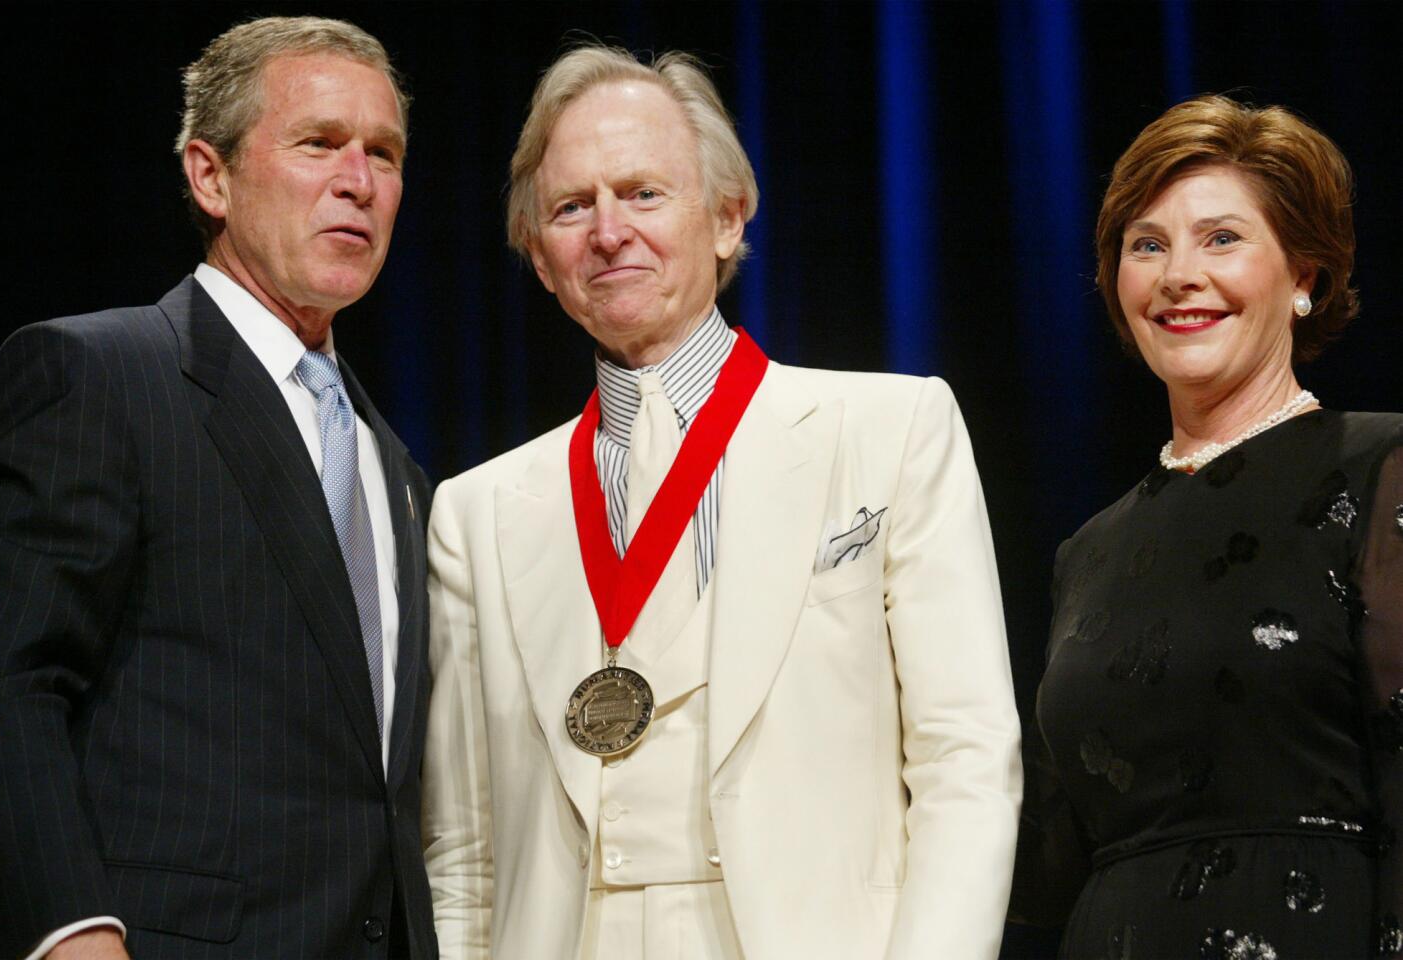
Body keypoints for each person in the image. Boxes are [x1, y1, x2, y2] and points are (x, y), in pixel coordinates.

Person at [420, 44, 1021, 960]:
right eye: (572, 207)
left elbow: (965, 759)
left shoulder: (889, 428)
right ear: (540, 258)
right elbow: (462, 851)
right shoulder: (476, 513)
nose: (608, 231)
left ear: (728, 219)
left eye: (643, 193)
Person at [0, 17, 436, 960]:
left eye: (383, 153)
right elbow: (2, 684)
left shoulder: (398, 469)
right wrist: (70, 937)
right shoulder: (97, 375)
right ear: (209, 175)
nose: (359, 180)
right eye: (318, 143)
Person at [1015, 95, 1403, 957]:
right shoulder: (1087, 550)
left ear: (1304, 275)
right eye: (1145, 244)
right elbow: (1048, 864)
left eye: (1220, 239)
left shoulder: (1384, 465)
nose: (1176, 273)